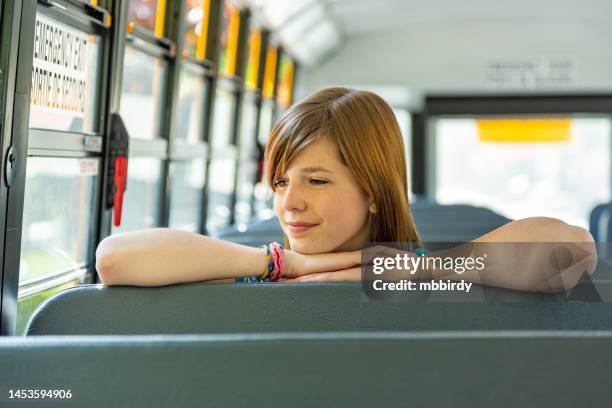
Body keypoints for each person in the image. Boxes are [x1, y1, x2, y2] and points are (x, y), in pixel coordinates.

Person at [96, 87, 597, 292]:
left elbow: (570, 250)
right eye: (280, 182)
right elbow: (115, 259)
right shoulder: (254, 272)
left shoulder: (427, 274)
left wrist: (409, 269)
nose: (290, 203)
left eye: (317, 181)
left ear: (375, 190)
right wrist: (282, 264)